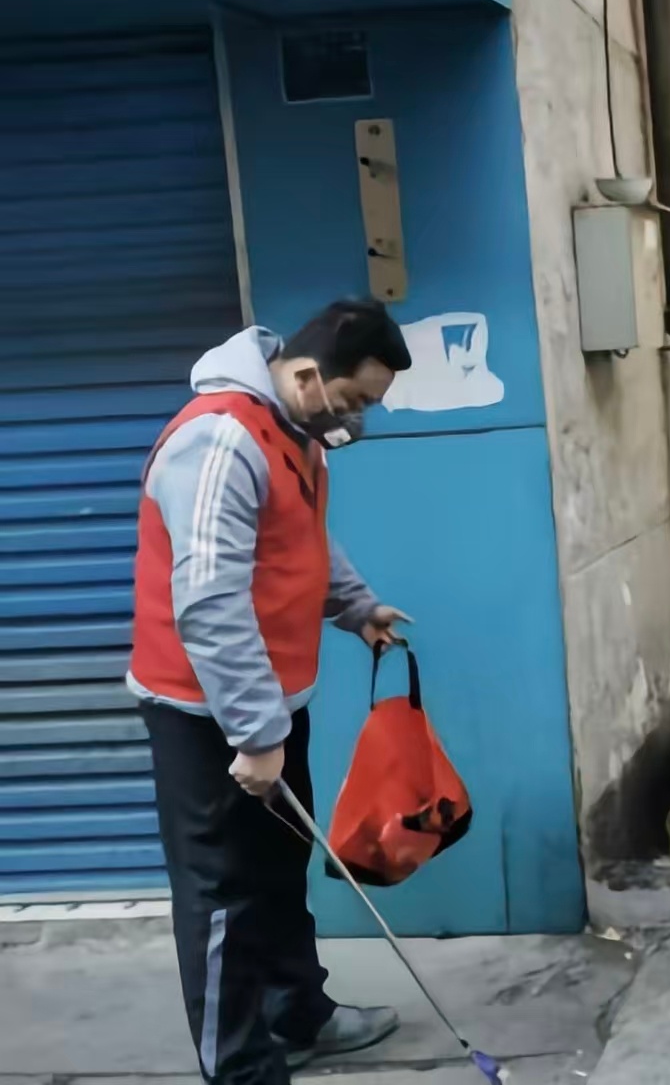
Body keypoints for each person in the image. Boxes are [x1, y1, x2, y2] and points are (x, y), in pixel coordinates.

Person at [128, 300, 415, 1085]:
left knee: (281, 868)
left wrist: (356, 608)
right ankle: (241, 1067)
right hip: (206, 715)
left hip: (272, 706)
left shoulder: (296, 433)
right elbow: (210, 597)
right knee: (223, 892)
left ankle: (298, 1013)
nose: (355, 419)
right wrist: (254, 735)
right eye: (353, 400)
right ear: (306, 373)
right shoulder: (220, 436)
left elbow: (304, 537)